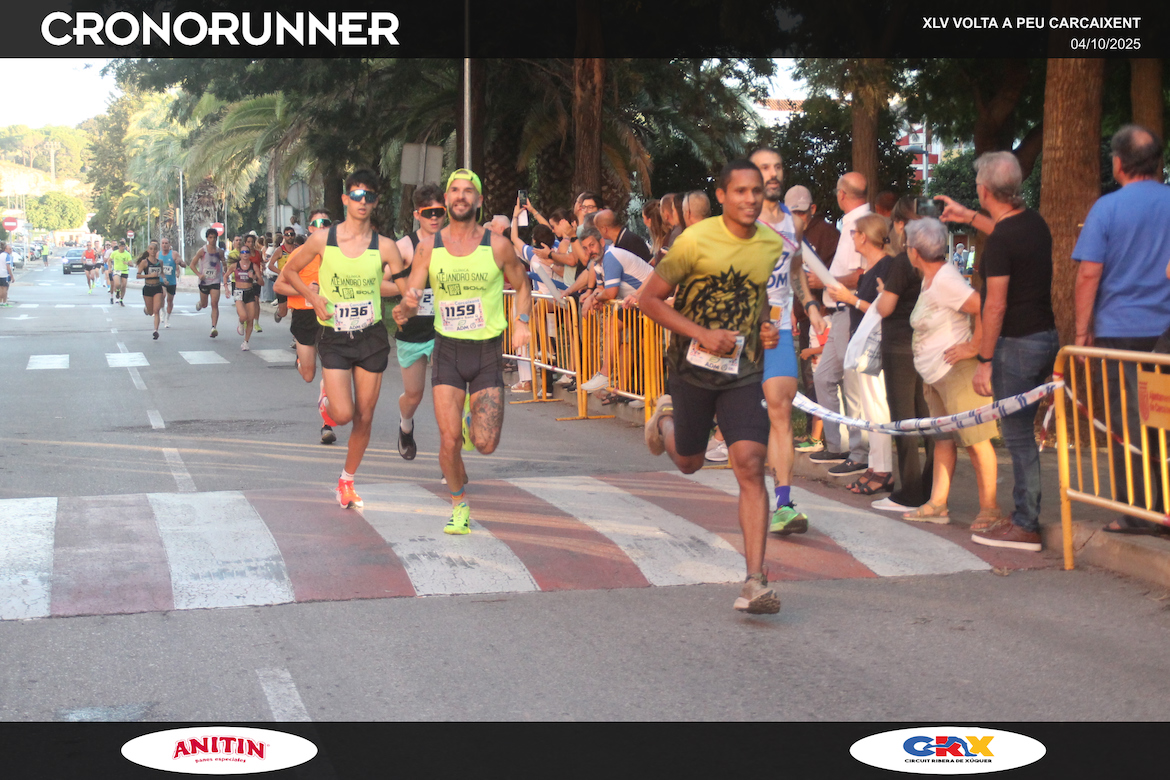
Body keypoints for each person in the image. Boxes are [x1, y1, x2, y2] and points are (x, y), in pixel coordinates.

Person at [639, 159, 785, 615]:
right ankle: (665, 421)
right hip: (691, 369)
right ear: (721, 196)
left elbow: (760, 295)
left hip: (743, 370)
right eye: (740, 191)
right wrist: (700, 333)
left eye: (756, 191)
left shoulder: (770, 243)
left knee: (750, 463)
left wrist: (767, 327)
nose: (750, 199)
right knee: (690, 461)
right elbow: (648, 299)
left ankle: (755, 581)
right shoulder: (694, 241)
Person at [392, 168, 533, 535]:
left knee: (485, 444)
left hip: (486, 352)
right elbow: (414, 291)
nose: (460, 195)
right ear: (447, 199)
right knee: (449, 439)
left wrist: (521, 321)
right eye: (454, 189)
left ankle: (473, 426)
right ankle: (458, 505)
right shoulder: (429, 247)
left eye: (468, 190)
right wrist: (405, 308)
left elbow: (523, 286)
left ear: (479, 200)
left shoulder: (497, 245)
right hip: (448, 350)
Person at [932, 153, 1059, 550]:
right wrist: (969, 217)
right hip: (1045, 336)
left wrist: (984, 360)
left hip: (1016, 344)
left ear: (985, 190)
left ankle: (1025, 522)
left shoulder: (1002, 240)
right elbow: (1005, 234)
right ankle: (1024, 516)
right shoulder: (1032, 222)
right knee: (1023, 435)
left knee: (1017, 437)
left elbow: (995, 305)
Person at [284, 169, 405, 509]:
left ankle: (347, 481)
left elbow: (405, 287)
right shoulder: (323, 240)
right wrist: (312, 296)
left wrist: (407, 306)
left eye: (369, 196)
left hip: (371, 336)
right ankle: (327, 404)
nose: (362, 201)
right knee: (342, 415)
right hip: (335, 335)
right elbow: (289, 271)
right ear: (345, 199)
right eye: (356, 195)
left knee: (365, 416)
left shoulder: (385, 246)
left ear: (376, 202)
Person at [1073, 124, 1170, 535]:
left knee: (1128, 421)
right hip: (1165, 333)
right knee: (1164, 418)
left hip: (1120, 332)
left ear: (1118, 163)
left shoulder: (1107, 208)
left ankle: (1136, 510)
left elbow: (1088, 274)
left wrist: (1082, 331)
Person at [902, 218, 1000, 526]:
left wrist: (975, 346)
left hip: (956, 372)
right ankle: (938, 504)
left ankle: (990, 509)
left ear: (914, 251)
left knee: (976, 440)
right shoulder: (931, 278)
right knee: (943, 440)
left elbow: (983, 305)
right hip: (937, 374)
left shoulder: (945, 279)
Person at [750, 147, 827, 535]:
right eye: (765, 168)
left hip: (779, 330)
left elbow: (795, 268)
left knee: (780, 411)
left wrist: (810, 305)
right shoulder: (738, 223)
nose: (773, 173)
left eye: (778, 166)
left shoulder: (792, 224)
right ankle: (670, 414)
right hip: (741, 332)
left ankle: (783, 503)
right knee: (731, 422)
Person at [870, 197, 933, 512]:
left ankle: (909, 492)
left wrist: (883, 294)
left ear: (899, 225)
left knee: (903, 421)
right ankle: (933, 487)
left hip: (898, 347)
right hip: (926, 346)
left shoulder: (902, 262)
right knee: (929, 419)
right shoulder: (934, 260)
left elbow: (886, 308)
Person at [827, 214, 894, 495]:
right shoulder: (870, 269)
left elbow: (883, 309)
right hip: (863, 344)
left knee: (877, 407)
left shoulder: (886, 266)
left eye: (854, 233)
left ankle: (883, 469)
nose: (852, 237)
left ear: (865, 236)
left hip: (875, 347)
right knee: (869, 408)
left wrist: (850, 299)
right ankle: (875, 465)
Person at [810, 173, 870, 475]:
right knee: (824, 378)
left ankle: (859, 453)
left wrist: (825, 280)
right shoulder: (849, 223)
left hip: (851, 310)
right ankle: (836, 445)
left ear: (842, 194)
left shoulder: (861, 224)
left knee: (852, 383)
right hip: (839, 312)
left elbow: (861, 275)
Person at [784, 184, 839, 453]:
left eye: (801, 212)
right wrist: (795, 312)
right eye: (791, 212)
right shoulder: (788, 236)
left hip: (826, 315)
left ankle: (824, 436)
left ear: (812, 209)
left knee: (820, 376)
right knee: (809, 376)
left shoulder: (828, 235)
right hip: (805, 314)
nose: (797, 218)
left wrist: (823, 282)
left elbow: (837, 274)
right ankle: (813, 432)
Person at [275, 208, 337, 445]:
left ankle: (327, 424)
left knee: (330, 371)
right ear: (310, 228)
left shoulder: (339, 253)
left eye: (326, 223)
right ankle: (301, 361)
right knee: (309, 374)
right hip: (304, 316)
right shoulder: (300, 253)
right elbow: (279, 286)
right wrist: (306, 292)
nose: (322, 227)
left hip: (330, 317)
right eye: (317, 224)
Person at [392, 183, 445, 460]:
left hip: (446, 330)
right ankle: (405, 425)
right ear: (416, 214)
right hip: (413, 332)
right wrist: (409, 292)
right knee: (414, 395)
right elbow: (379, 284)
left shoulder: (454, 244)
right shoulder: (404, 247)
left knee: (446, 397)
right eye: (427, 213)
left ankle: (449, 462)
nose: (434, 218)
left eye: (439, 212)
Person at [577, 225, 653, 393]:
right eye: (585, 248)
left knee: (615, 327)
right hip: (635, 301)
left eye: (592, 245)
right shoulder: (598, 263)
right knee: (619, 334)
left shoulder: (611, 257)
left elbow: (610, 292)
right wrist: (592, 298)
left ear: (602, 243)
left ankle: (606, 375)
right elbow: (600, 289)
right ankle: (630, 389)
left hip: (650, 298)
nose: (589, 251)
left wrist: (595, 298)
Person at [190, 227, 225, 338]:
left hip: (215, 280)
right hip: (204, 281)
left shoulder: (220, 252)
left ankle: (213, 327)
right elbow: (192, 265)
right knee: (205, 305)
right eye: (210, 237)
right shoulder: (202, 251)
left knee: (214, 303)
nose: (213, 240)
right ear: (207, 239)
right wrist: (199, 274)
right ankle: (201, 303)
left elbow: (224, 264)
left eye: (214, 237)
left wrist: (225, 271)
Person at [227, 245, 261, 351]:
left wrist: (254, 277)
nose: (245, 254)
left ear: (249, 254)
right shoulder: (235, 265)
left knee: (250, 319)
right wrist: (226, 288)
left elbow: (261, 282)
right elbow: (225, 275)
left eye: (247, 252)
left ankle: (246, 342)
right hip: (238, 292)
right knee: (243, 316)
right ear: (240, 254)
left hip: (250, 292)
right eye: (243, 252)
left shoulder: (254, 266)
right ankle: (241, 322)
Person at [267, 227, 298, 324]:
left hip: (296, 282)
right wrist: (281, 273)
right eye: (287, 235)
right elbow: (270, 265)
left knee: (296, 309)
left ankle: (295, 329)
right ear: (284, 237)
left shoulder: (298, 249)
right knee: (283, 312)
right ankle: (279, 313)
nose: (290, 237)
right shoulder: (280, 250)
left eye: (292, 234)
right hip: (283, 283)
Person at [136, 241, 165, 340]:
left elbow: (162, 273)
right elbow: (138, 275)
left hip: (157, 287)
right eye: (151, 249)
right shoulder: (144, 262)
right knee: (150, 312)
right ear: (148, 251)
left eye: (154, 249)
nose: (153, 251)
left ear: (157, 251)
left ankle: (155, 331)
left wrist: (164, 279)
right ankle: (146, 309)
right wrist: (150, 275)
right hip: (148, 288)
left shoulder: (160, 262)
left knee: (156, 310)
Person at [157, 237, 185, 329]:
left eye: (166, 243)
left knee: (170, 301)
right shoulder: (158, 254)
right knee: (162, 295)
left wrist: (180, 262)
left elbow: (184, 264)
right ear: (161, 245)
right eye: (163, 243)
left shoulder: (174, 254)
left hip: (171, 282)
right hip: (161, 280)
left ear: (169, 245)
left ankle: (167, 319)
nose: (164, 245)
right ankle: (162, 311)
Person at [641, 200, 671, 265]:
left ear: (649, 221)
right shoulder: (671, 235)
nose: (643, 221)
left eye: (643, 217)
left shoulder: (664, 246)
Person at [109, 240, 132, 306]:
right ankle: (117, 291)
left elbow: (131, 263)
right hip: (117, 270)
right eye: (121, 246)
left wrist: (127, 263)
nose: (122, 248)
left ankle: (121, 299)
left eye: (123, 246)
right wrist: (110, 268)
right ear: (119, 247)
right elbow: (109, 260)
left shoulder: (127, 254)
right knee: (117, 284)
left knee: (124, 286)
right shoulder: (114, 253)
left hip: (125, 270)